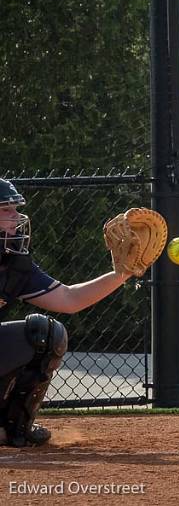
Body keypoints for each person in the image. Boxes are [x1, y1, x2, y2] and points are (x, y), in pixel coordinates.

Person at [0, 178, 137, 447]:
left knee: (46, 335)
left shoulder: (13, 264)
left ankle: (10, 427)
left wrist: (124, 272)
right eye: (6, 210)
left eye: (15, 209)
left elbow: (70, 299)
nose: (17, 217)